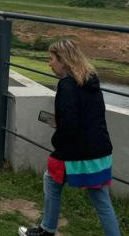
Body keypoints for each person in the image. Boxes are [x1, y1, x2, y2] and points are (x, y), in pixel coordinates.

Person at [18, 40, 120, 236]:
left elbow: (70, 125)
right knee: (102, 200)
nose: (50, 64)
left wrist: (57, 142)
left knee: (51, 181)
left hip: (76, 152)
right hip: (99, 150)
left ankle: (47, 229)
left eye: (52, 59)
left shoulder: (67, 85)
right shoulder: (90, 80)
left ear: (63, 61)